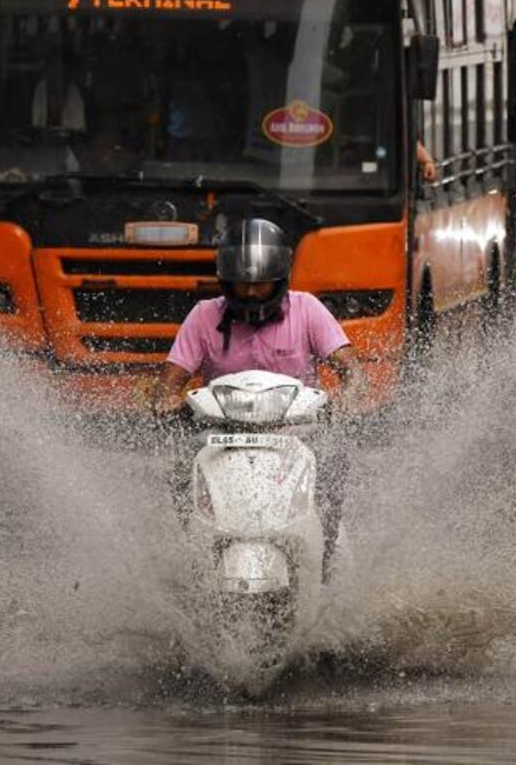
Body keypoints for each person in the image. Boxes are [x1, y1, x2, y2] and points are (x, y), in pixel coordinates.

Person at [150, 217, 363, 579]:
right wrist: (167, 402)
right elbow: (169, 383)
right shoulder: (203, 316)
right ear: (224, 280)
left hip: (297, 434)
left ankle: (323, 559)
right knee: (179, 464)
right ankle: (195, 552)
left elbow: (352, 369)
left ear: (279, 279)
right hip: (221, 438)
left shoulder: (308, 309)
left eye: (260, 284)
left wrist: (348, 399)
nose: (250, 293)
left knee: (333, 461)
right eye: (241, 284)